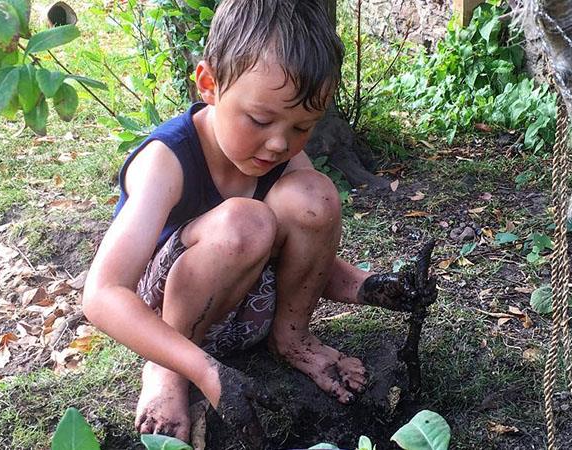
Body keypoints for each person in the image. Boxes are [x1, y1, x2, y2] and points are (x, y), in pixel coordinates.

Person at [82, 0, 434, 446]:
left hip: (249, 308)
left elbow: (304, 252)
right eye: (261, 119)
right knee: (244, 223)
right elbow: (102, 294)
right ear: (209, 84)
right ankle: (167, 370)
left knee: (315, 194)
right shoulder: (164, 162)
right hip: (168, 319)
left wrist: (371, 287)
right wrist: (202, 371)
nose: (278, 143)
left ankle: (293, 340)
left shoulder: (279, 153)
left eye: (302, 127)